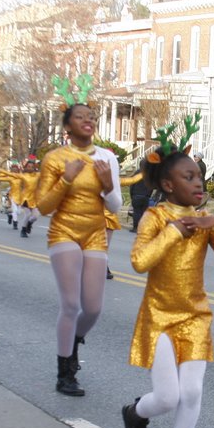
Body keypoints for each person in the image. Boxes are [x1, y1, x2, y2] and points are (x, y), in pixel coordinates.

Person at [121, 142, 214, 428]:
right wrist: (174, 232)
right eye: (188, 177)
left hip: (195, 316)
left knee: (191, 392)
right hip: (159, 317)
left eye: (199, 177)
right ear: (167, 185)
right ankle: (135, 414)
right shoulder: (155, 217)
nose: (198, 183)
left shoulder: (206, 223)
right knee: (167, 397)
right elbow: (139, 261)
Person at [36, 103, 122, 396]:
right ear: (67, 127)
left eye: (91, 116)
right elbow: (44, 206)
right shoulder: (55, 159)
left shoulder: (107, 158)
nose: (88, 120)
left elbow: (115, 206)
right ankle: (65, 373)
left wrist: (108, 185)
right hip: (64, 232)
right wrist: (67, 178)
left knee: (94, 308)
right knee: (71, 305)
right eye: (80, 117)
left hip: (95, 232)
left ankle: (73, 340)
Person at [128, 162, 152, 232]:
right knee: (143, 213)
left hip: (137, 195)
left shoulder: (137, 173)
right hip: (146, 196)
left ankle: (136, 228)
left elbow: (132, 184)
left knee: (136, 212)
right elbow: (151, 186)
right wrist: (149, 195)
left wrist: (131, 195)